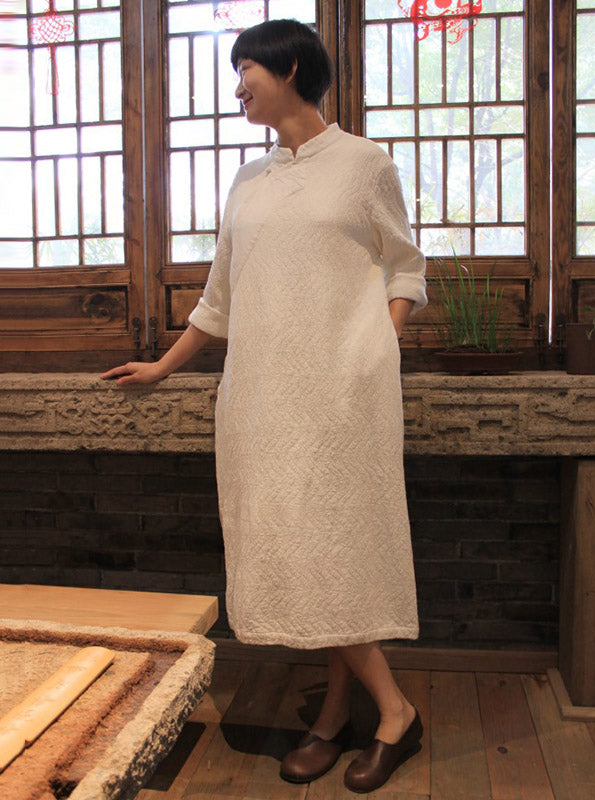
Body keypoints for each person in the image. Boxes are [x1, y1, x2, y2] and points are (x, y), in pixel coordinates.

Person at [102, 19, 427, 793]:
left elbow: (406, 267)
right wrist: (164, 366)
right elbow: (221, 298)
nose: (237, 84)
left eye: (246, 66)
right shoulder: (248, 180)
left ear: (290, 69)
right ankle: (335, 716)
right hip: (265, 397)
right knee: (302, 548)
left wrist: (379, 348)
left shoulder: (365, 164)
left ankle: (393, 713)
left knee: (335, 547)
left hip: (344, 394)